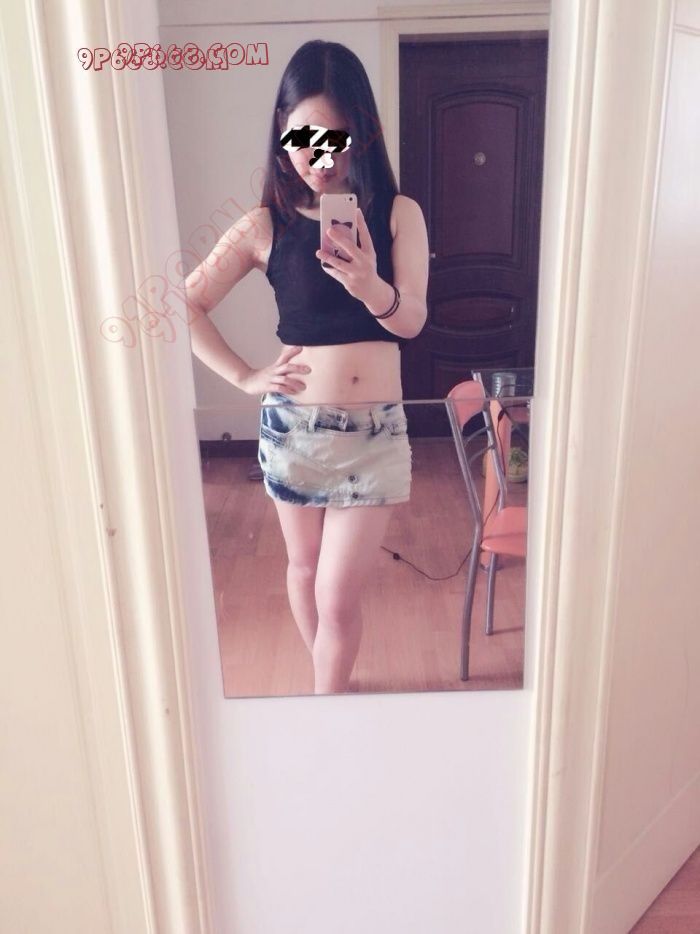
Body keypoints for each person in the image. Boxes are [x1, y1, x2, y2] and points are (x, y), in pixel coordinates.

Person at [186, 40, 429, 695]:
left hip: (375, 437)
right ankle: (331, 692)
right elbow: (186, 303)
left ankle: (325, 705)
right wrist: (244, 377)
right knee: (302, 570)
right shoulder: (262, 226)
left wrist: (371, 286)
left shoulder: (397, 215)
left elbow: (411, 321)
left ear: (362, 134)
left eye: (337, 141)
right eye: (304, 139)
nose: (321, 158)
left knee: (337, 593)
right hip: (293, 430)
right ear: (281, 130)